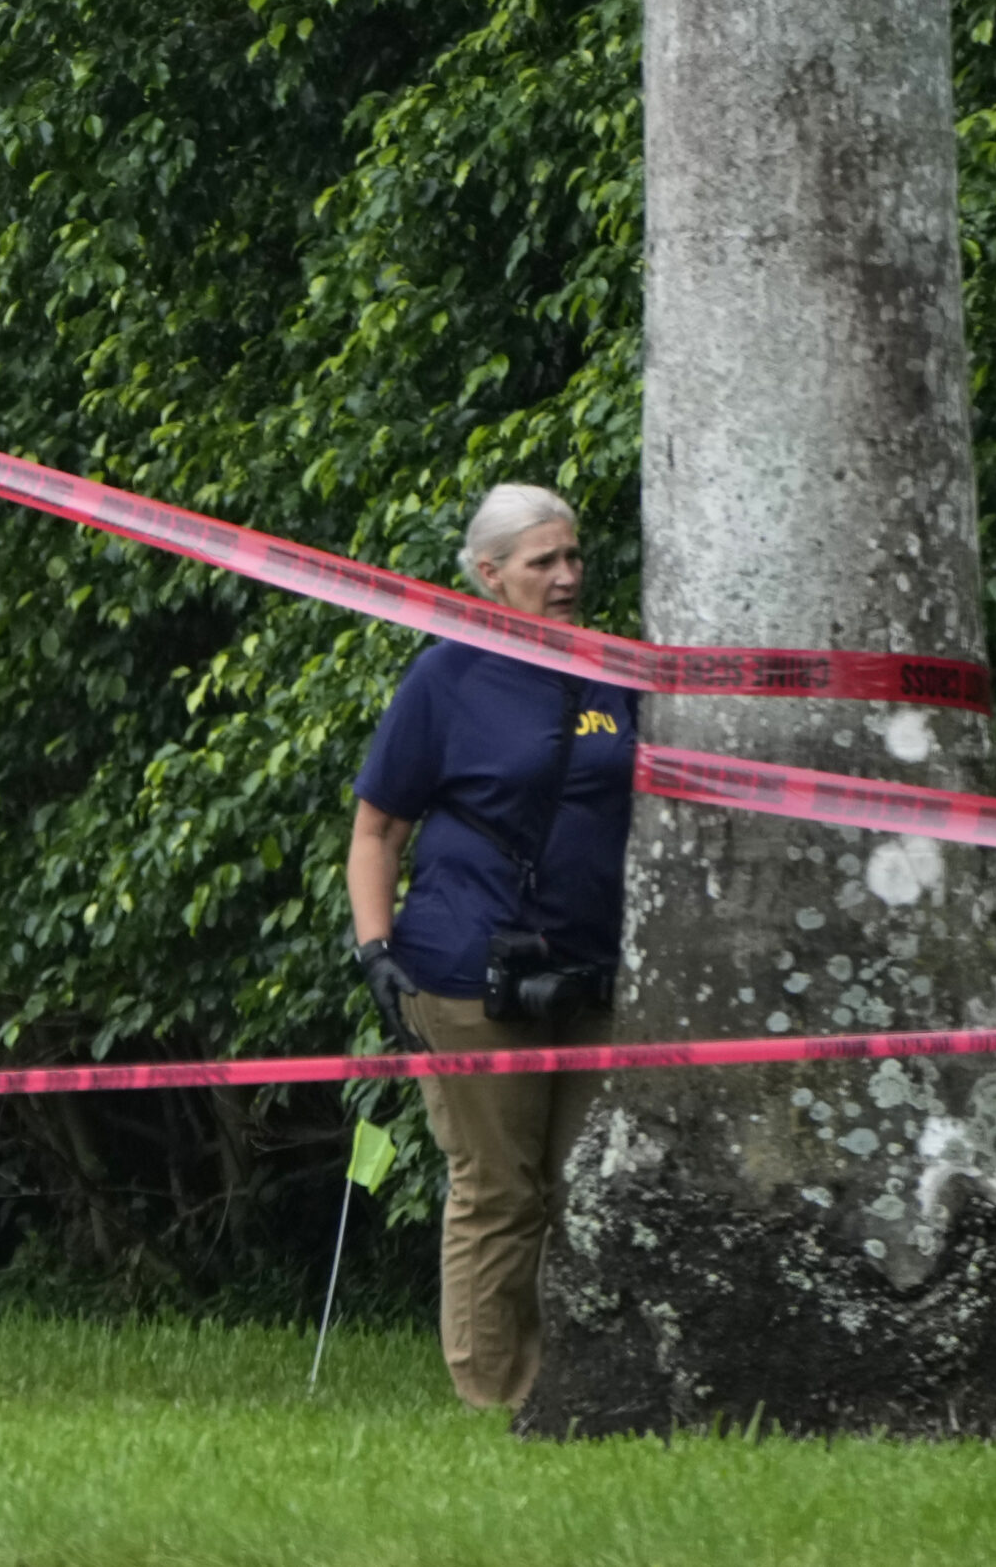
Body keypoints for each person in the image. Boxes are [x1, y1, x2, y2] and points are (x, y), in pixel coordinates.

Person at [344, 484, 636, 1411]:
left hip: (591, 972)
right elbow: (376, 829)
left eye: (573, 557)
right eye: (542, 561)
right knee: (500, 1193)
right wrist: (374, 950)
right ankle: (494, 1399)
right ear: (488, 574)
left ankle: (571, 1389)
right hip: (471, 972)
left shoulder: (614, 668)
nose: (566, 576)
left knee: (581, 1191)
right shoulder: (446, 677)